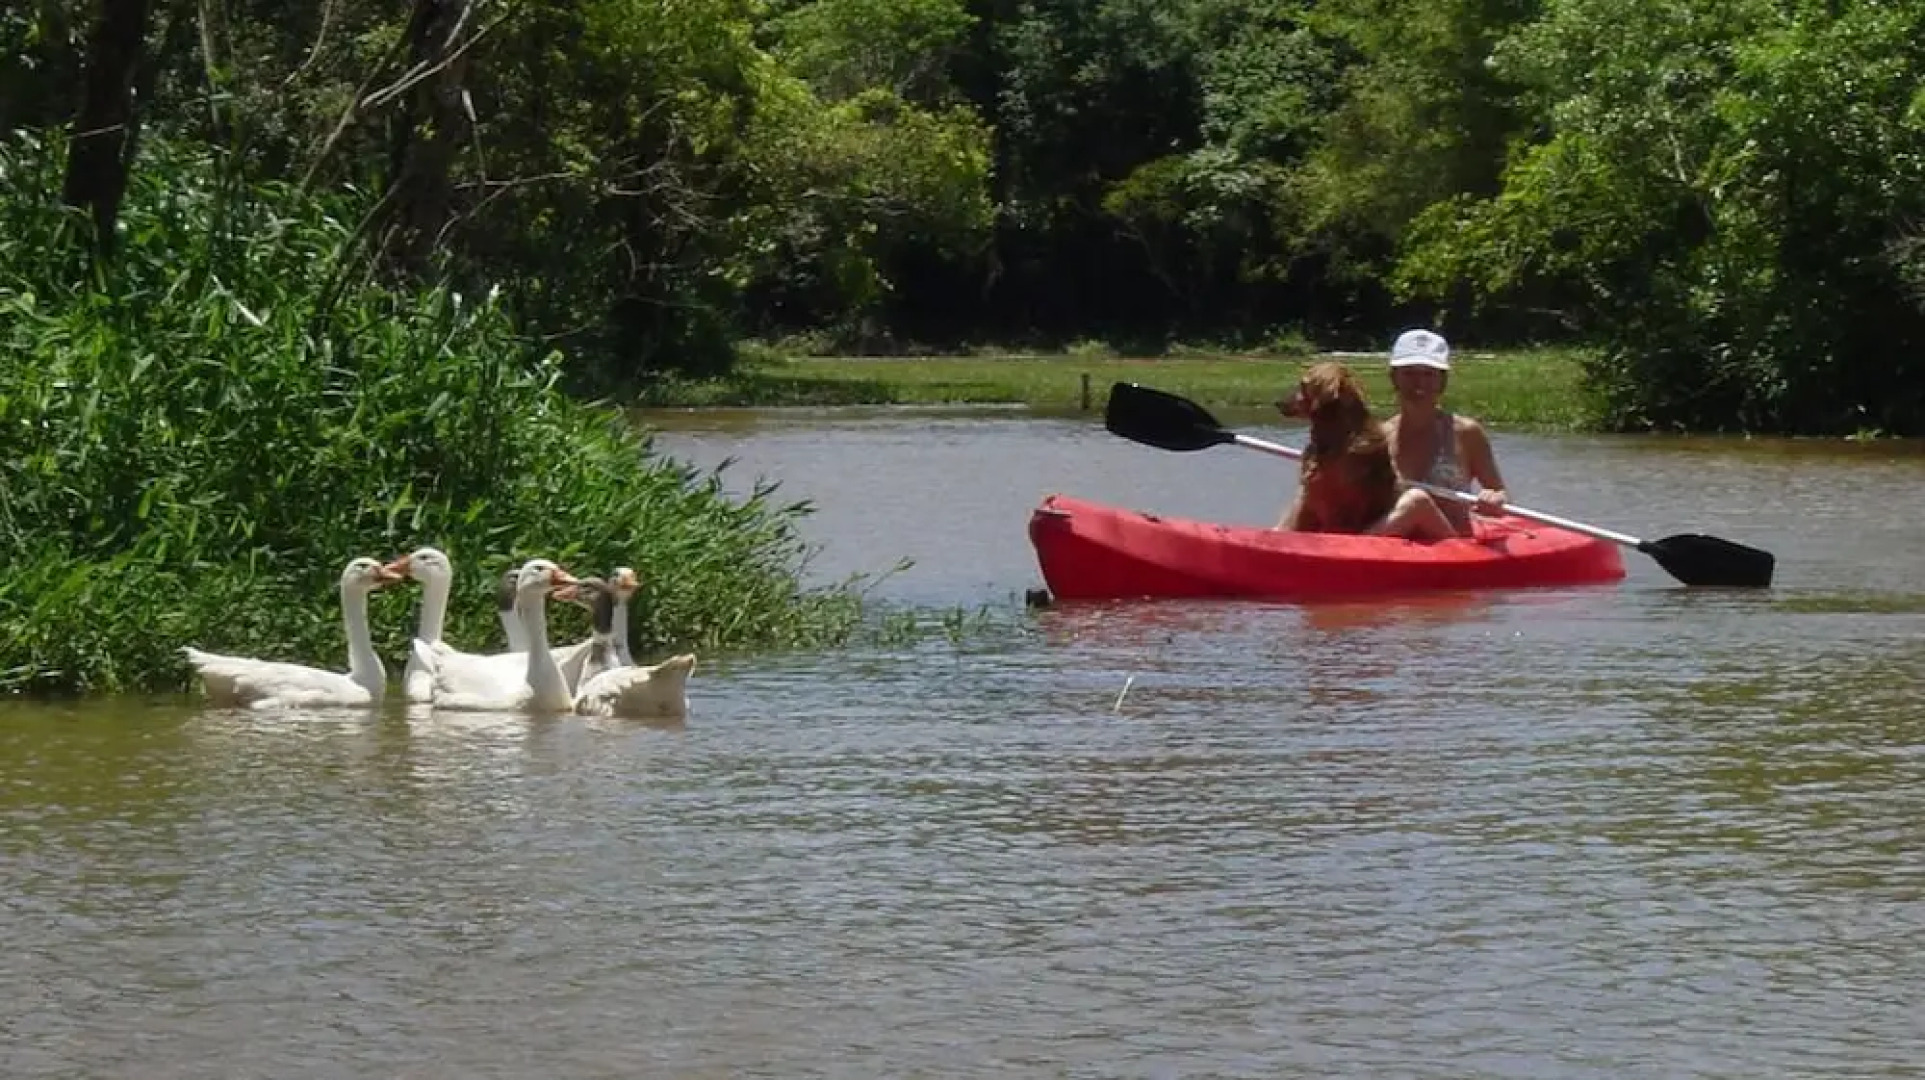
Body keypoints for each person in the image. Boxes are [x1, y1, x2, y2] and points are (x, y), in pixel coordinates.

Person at [1370, 328, 1509, 540]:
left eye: (1428, 374)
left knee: (1417, 501)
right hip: (1395, 549)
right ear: (1393, 378)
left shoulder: (1466, 433)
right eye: (1409, 373)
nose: (1419, 383)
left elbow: (1499, 493)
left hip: (1452, 547)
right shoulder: (1378, 437)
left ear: (1442, 381)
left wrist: (1494, 499)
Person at [1274, 361, 1401, 534]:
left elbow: (1343, 522)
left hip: (1358, 544)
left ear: (1321, 398)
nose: (1295, 397)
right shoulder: (1317, 450)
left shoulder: (1358, 456)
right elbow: (1308, 516)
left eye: (1303, 390)